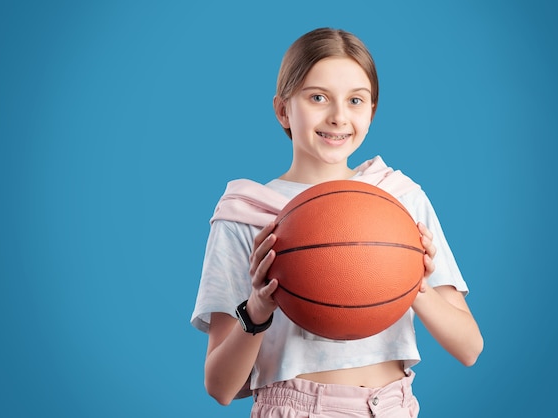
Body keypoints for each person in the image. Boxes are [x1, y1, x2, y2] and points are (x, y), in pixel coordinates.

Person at [191, 27, 483, 418]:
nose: (339, 117)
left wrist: (414, 286)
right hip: (294, 408)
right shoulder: (245, 214)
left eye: (356, 100)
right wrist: (258, 310)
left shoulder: (400, 199)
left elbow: (469, 348)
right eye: (317, 97)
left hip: (395, 406)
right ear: (283, 110)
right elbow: (222, 388)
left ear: (371, 112)